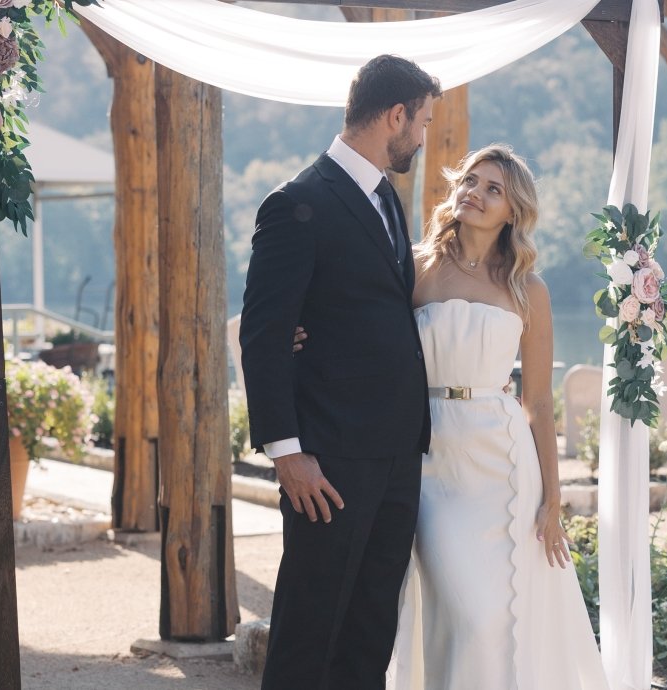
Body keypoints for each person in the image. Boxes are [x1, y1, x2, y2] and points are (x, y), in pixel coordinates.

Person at [298, 144, 609, 689]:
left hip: (503, 464)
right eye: (471, 181)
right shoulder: (414, 268)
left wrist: (553, 502)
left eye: (494, 189)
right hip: (427, 455)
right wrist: (304, 331)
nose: (477, 194)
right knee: (462, 609)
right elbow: (359, 326)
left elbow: (538, 405)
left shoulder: (528, 288)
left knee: (494, 616)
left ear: (514, 211)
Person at [239, 54, 439, 690]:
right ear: (396, 115)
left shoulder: (388, 198)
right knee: (309, 628)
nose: (424, 136)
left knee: (370, 628)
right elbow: (263, 333)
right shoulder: (297, 202)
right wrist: (287, 452)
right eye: (424, 121)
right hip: (327, 461)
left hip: (397, 454)